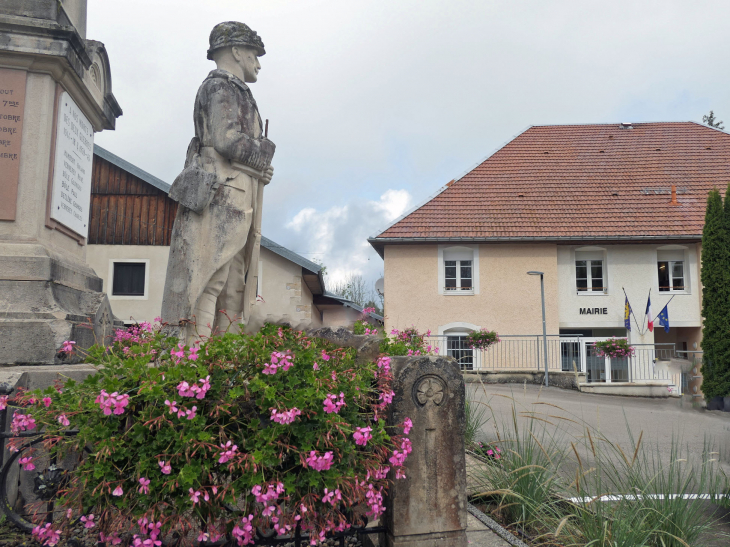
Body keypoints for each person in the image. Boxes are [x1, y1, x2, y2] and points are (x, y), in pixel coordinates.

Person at [162, 21, 275, 341]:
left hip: (238, 192)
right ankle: (193, 357)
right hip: (223, 194)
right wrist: (265, 151)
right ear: (237, 51)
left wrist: (259, 170)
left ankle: (223, 359)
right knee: (211, 279)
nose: (258, 62)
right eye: (254, 53)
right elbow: (227, 141)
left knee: (234, 285)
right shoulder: (220, 88)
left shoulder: (235, 89)